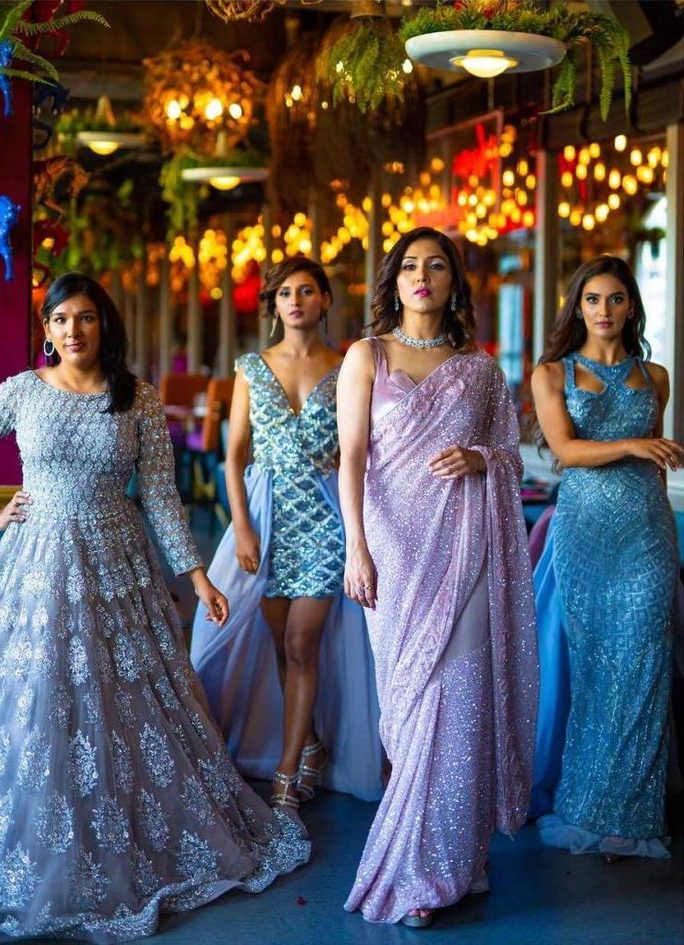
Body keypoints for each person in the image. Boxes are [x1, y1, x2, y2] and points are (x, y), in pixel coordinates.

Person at [0, 273, 309, 944]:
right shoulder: (25, 391)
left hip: (119, 564)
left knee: (120, 703)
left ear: (102, 325)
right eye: (61, 320)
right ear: (48, 329)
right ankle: (47, 839)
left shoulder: (136, 398)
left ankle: (119, 834)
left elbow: (165, 499)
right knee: (43, 696)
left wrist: (197, 575)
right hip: (38, 566)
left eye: (85, 318)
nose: (74, 330)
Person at [337, 226, 538, 927]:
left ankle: (441, 864)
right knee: (408, 705)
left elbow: (512, 452)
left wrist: (483, 457)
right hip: (391, 548)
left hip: (465, 545)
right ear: (393, 281)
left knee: (457, 696)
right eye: (411, 266)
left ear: (454, 282)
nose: (423, 275)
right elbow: (351, 459)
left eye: (438, 266)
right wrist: (355, 547)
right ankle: (443, 851)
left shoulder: (481, 371)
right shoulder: (366, 357)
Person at [191, 256, 382, 809]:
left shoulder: (349, 366)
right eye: (284, 294)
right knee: (282, 647)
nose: (295, 300)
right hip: (265, 519)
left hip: (327, 518)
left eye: (306, 291)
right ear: (273, 305)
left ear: (324, 300)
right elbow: (232, 457)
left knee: (302, 643)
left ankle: (284, 778)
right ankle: (312, 744)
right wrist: (242, 528)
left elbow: (360, 451)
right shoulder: (251, 367)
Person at [531, 255, 683, 860]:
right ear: (577, 307)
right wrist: (631, 444)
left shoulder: (658, 376)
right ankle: (587, 803)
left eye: (616, 299)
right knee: (594, 667)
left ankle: (634, 814)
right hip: (586, 532)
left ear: (632, 308)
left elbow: (660, 452)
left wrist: (652, 451)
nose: (604, 311)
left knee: (645, 660)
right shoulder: (552, 373)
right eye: (593, 300)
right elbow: (564, 453)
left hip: (647, 531)